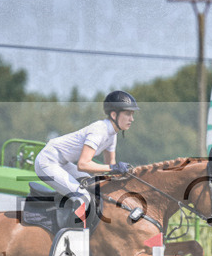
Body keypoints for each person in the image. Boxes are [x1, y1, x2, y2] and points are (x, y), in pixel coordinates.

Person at [33, 90, 137, 224]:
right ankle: (72, 235)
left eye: (132, 114)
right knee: (83, 197)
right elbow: (83, 165)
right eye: (128, 114)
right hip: (47, 162)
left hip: (63, 163)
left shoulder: (112, 135)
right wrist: (113, 168)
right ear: (114, 114)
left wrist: (127, 177)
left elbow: (110, 169)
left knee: (94, 188)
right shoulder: (99, 130)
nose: (131, 119)